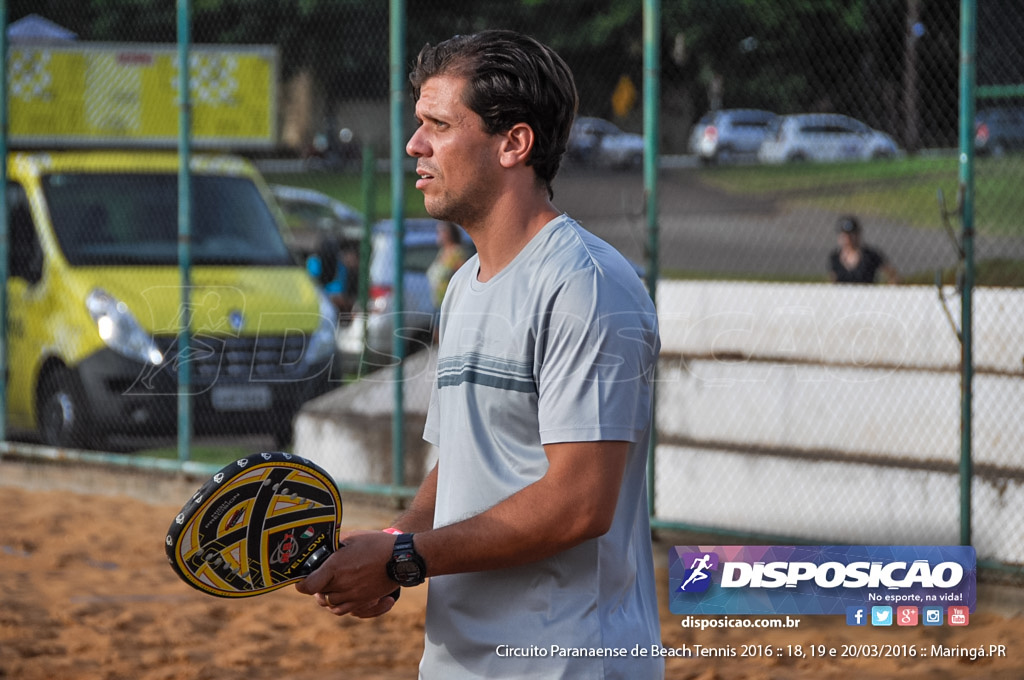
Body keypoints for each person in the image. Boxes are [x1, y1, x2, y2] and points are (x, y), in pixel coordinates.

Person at [296, 29, 664, 679]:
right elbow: (460, 465)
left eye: (438, 124)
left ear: (513, 143)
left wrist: (406, 558)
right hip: (459, 662)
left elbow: (579, 503)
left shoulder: (587, 285)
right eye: (419, 124)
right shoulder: (464, 287)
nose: (415, 145)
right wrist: (390, 542)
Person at [828, 215, 899, 284]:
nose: (848, 239)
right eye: (844, 235)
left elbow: (892, 274)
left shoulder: (870, 255)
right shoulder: (835, 257)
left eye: (851, 234)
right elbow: (833, 280)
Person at [425, 220, 468, 312]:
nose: (439, 234)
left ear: (450, 233)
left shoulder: (456, 252)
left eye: (442, 231)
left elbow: (463, 277)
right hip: (438, 301)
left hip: (451, 302)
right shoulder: (442, 252)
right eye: (438, 231)